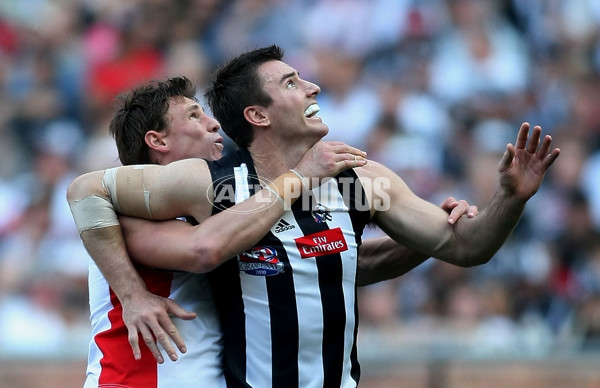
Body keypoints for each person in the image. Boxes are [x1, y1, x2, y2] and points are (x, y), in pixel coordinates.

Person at [68, 45, 559, 387]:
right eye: (291, 82)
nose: (313, 86)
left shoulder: (361, 181)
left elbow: (463, 247)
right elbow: (197, 244)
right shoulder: (208, 185)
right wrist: (132, 295)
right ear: (258, 116)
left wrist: (509, 200)